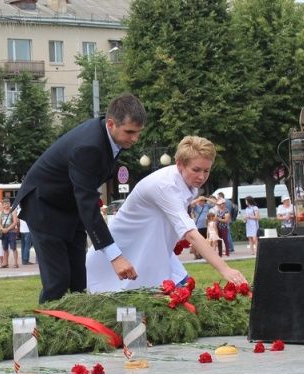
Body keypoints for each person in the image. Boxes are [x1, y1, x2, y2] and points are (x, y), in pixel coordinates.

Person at [17, 94, 144, 303]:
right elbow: (87, 202)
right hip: (44, 206)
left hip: (69, 206)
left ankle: (77, 329)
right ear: (111, 124)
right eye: (129, 132)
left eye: (138, 133)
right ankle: (46, 330)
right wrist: (116, 256)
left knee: (78, 281)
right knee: (58, 280)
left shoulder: (109, 137)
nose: (135, 139)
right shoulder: (89, 146)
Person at [86, 136, 246, 292]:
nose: (202, 176)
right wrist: (225, 270)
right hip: (119, 260)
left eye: (207, 170)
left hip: (151, 254)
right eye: (196, 170)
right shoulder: (165, 186)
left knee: (179, 299)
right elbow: (190, 234)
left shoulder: (186, 181)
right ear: (179, 164)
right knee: (126, 314)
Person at [0, 199, 20, 268]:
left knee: (13, 248)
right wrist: (2, 229)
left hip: (11, 232)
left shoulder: (13, 211)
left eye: (8, 203)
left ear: (10, 204)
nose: (7, 205)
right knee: (5, 248)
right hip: (4, 232)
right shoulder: (1, 213)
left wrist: (7, 229)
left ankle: (16, 263)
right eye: (5, 204)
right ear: (3, 205)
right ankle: (5, 263)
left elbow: (15, 222)